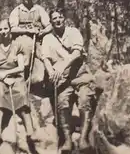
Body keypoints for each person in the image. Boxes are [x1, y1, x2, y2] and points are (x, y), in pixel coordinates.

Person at [41, 8, 96, 153]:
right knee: (62, 103)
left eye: (60, 17)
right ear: (51, 22)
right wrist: (51, 71)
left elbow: (76, 53)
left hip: (79, 74)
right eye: (54, 19)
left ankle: (83, 139)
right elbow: (46, 58)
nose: (58, 20)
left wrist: (61, 67)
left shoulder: (73, 32)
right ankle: (67, 140)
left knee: (85, 100)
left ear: (64, 19)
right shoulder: (47, 38)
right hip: (62, 80)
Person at [0, 18, 38, 148]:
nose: (3, 32)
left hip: (14, 75)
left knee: (21, 93)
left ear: (10, 29)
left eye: (5, 28)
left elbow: (21, 67)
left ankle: (30, 132)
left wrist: (7, 74)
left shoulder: (18, 45)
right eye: (0, 29)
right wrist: (1, 76)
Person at [9, 0, 52, 85]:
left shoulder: (39, 9)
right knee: (25, 60)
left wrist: (43, 32)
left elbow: (49, 26)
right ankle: (21, 81)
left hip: (37, 39)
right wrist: (28, 31)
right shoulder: (17, 10)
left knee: (45, 57)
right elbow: (13, 29)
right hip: (21, 39)